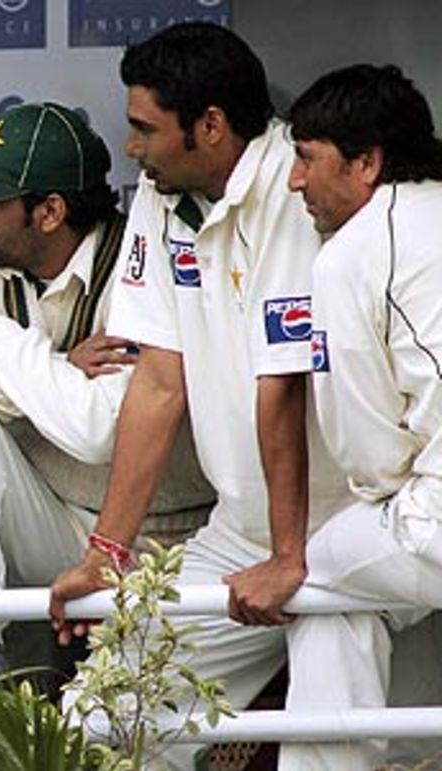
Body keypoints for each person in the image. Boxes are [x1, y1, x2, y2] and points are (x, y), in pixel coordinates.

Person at [45, 23, 353, 771]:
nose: (131, 147)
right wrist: (106, 553)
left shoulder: (296, 184)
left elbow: (280, 386)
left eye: (146, 128)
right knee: (97, 720)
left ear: (210, 126)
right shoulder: (163, 193)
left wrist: (291, 554)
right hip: (240, 532)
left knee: (350, 747)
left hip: (349, 532)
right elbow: (157, 380)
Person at [0, 102, 214, 660]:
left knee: (125, 728)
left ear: (51, 211)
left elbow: (94, 430)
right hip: (49, 517)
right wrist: (55, 372)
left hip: (163, 540)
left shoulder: (135, 258)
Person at [285, 63, 442, 769]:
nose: (294, 182)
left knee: (318, 572)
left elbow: (368, 453)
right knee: (353, 586)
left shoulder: (350, 252)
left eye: (307, 159)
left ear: (367, 163)